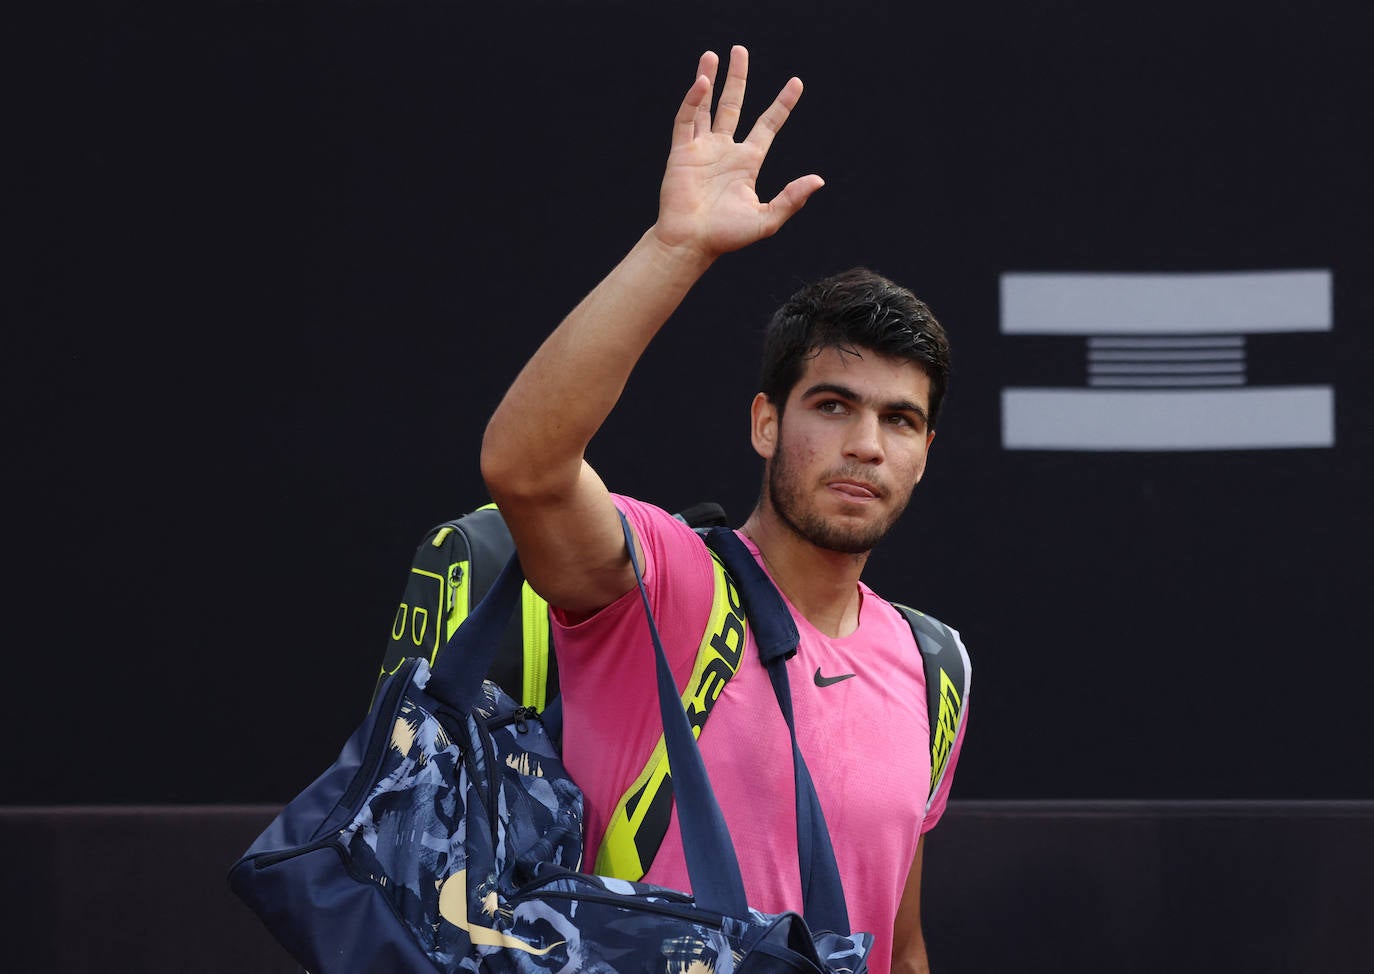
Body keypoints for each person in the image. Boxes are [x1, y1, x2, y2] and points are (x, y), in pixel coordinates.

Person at [480, 45, 967, 974]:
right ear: (765, 422)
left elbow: (900, 948)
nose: (866, 443)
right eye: (833, 406)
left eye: (899, 420)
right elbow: (525, 467)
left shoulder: (935, 665)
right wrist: (676, 248)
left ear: (924, 455)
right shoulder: (665, 583)